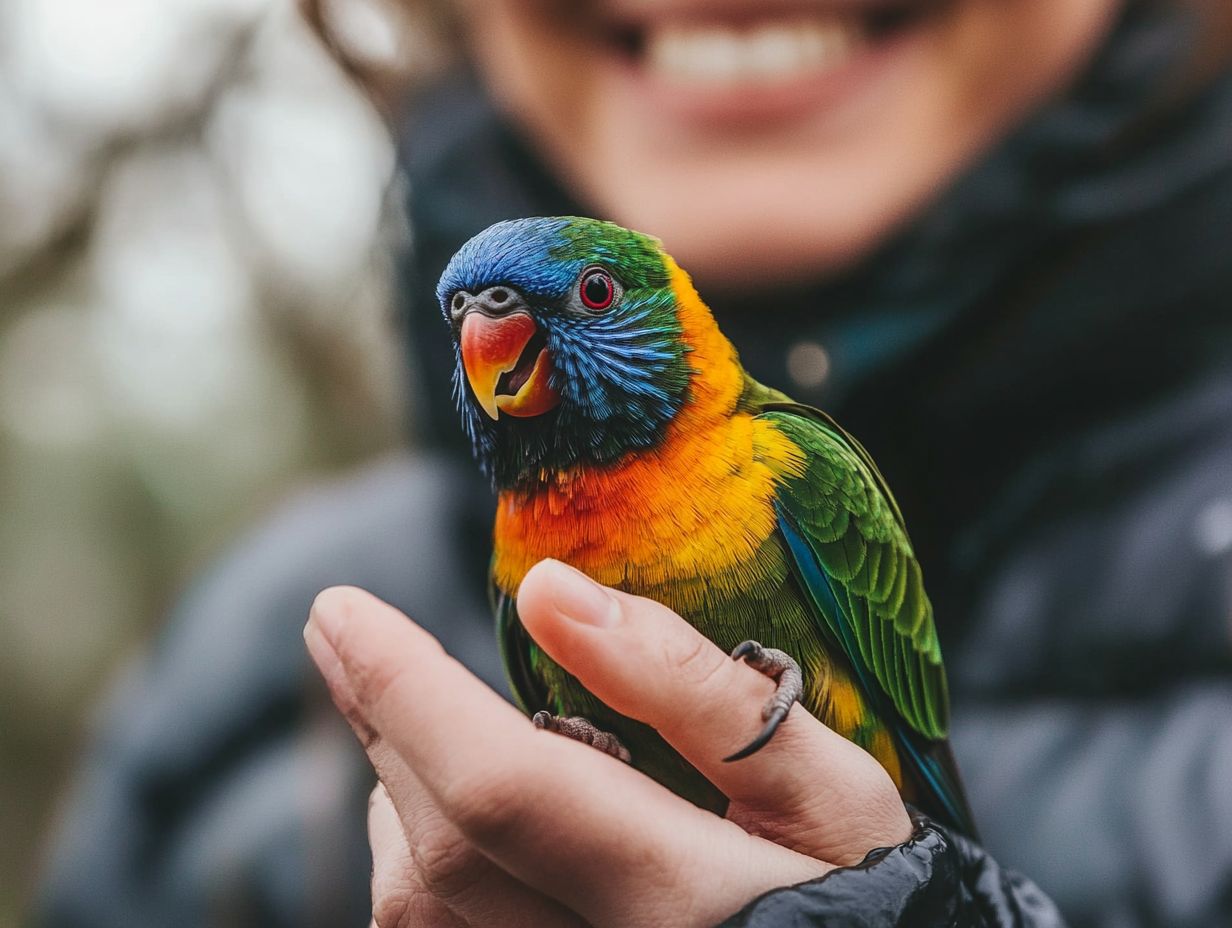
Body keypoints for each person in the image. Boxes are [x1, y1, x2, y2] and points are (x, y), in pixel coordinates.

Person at [37, 0, 1232, 925]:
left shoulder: (789, 469)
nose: (501, 340)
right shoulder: (267, 655)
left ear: (667, 315)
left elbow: (918, 772)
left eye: (591, 297)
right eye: (481, 322)